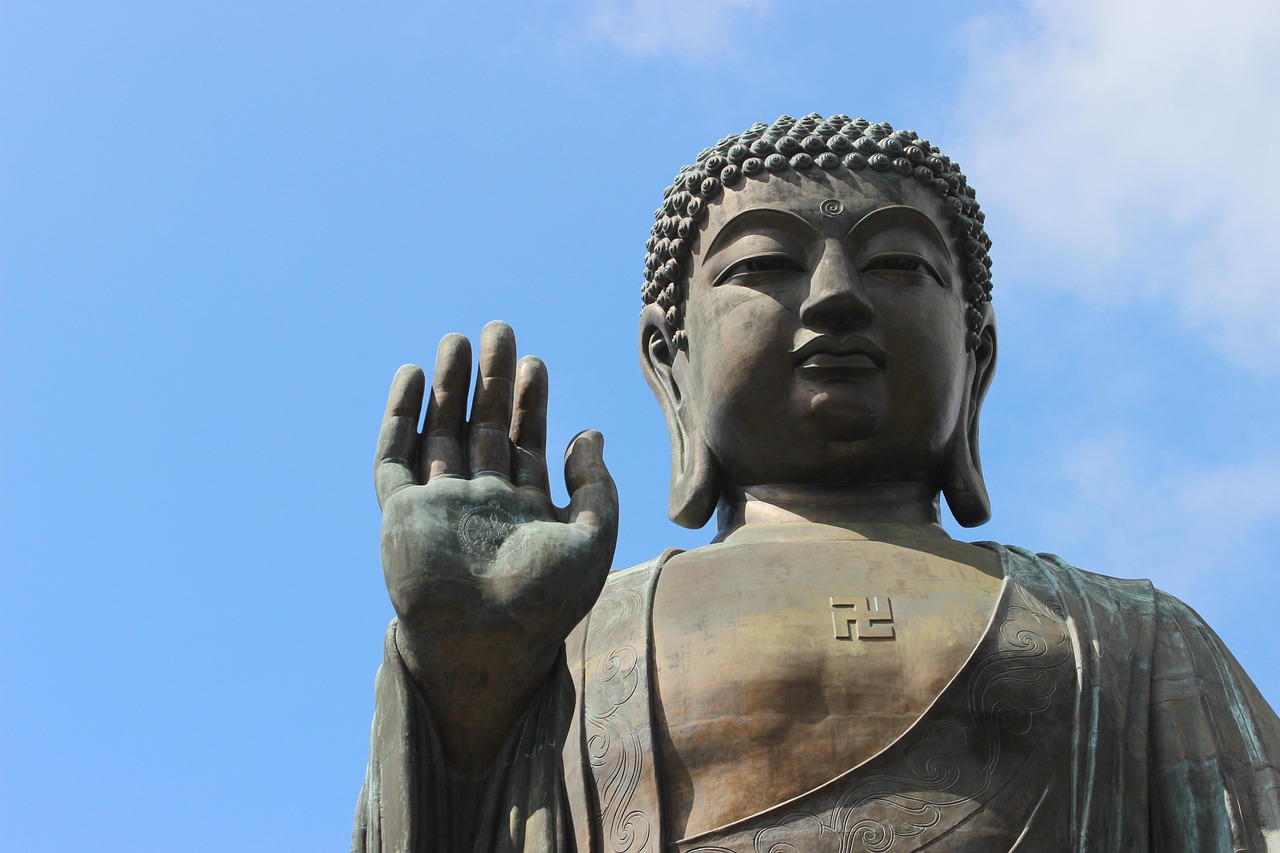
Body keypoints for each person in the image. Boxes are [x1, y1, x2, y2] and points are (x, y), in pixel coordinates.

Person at [353, 115, 1280, 852]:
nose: (837, 295)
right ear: (669, 362)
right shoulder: (572, 637)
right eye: (763, 265)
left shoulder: (1130, 641)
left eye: (898, 264)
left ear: (977, 352)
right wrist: (464, 686)